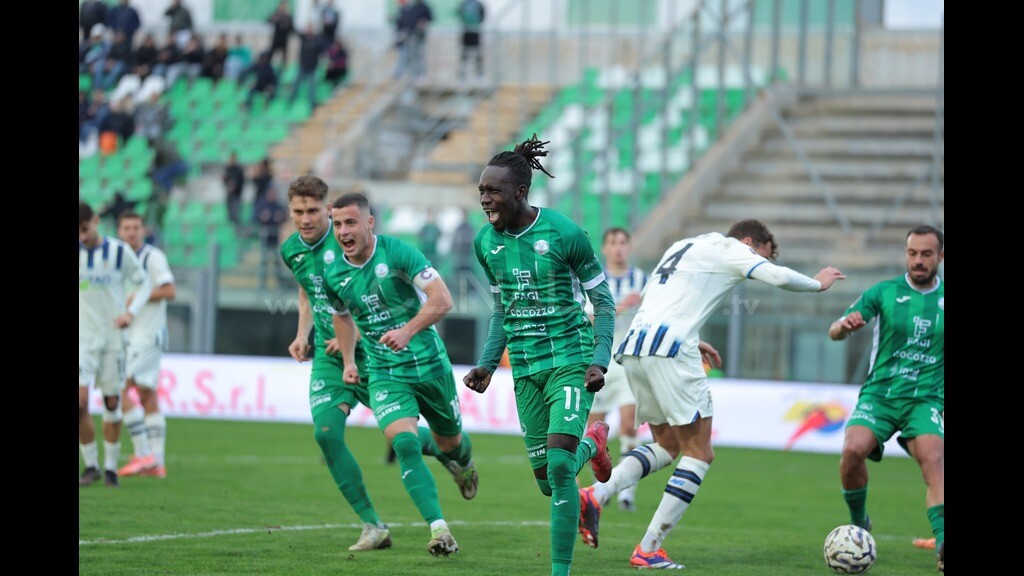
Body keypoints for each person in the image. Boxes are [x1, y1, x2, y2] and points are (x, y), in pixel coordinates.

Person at [578, 218, 847, 569]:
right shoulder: (731, 248)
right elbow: (779, 277)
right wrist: (817, 283)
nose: (758, 264)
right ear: (749, 243)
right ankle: (648, 548)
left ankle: (596, 494)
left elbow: (656, 300)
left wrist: (693, 337)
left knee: (667, 445)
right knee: (699, 453)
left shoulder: (684, 245)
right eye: (761, 256)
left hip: (635, 348)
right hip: (671, 351)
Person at [461, 135, 616, 576]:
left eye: (493, 191)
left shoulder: (565, 233)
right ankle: (594, 443)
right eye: (481, 191)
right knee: (549, 483)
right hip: (526, 369)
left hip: (570, 359)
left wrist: (599, 359)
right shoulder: (485, 244)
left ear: (521, 192)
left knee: (562, 468)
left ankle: (559, 571)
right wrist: (487, 363)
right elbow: (502, 310)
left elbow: (604, 303)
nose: (485, 200)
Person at [325, 192, 477, 557]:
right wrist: (349, 361)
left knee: (451, 444)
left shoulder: (398, 253)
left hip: (429, 365)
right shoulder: (334, 274)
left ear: (370, 222)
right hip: (384, 371)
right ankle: (439, 530)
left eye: (350, 222)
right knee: (404, 444)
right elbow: (342, 317)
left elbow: (442, 299)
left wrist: (407, 331)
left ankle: (462, 463)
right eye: (337, 224)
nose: (343, 231)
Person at [828, 225, 944, 573]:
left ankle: (943, 546)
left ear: (940, 256)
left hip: (925, 399)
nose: (918, 260)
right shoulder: (884, 291)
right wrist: (845, 327)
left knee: (934, 460)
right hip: (880, 395)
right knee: (852, 451)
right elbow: (834, 331)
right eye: (912, 253)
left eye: (926, 254)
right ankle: (859, 523)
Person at [80, 202, 153, 488]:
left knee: (112, 403)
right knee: (79, 403)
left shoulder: (119, 252)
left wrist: (130, 313)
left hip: (112, 340)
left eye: (84, 229)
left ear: (96, 221)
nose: (82, 237)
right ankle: (91, 464)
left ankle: (110, 467)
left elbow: (144, 283)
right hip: (82, 340)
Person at [581, 227, 647, 511]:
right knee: (594, 431)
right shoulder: (595, 279)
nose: (618, 247)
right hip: (598, 362)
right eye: (613, 243)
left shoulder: (642, 280)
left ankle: (626, 493)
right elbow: (589, 319)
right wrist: (622, 307)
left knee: (630, 424)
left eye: (623, 242)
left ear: (629, 248)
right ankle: (603, 486)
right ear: (605, 249)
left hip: (628, 362)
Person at [114, 212, 176, 480]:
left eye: (135, 227)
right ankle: (157, 464)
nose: (131, 232)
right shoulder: (118, 259)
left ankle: (142, 454)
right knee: (147, 395)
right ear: (119, 231)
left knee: (118, 387)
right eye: (126, 228)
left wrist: (137, 297)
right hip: (130, 336)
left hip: (148, 336)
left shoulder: (153, 257)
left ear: (143, 230)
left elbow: (169, 291)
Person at [456, 0, 485, 81]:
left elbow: (482, 17)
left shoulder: (478, 4)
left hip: (475, 32)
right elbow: (460, 15)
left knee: (478, 54)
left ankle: (479, 75)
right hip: (466, 32)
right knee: (464, 55)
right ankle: (462, 75)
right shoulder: (464, 4)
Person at [222, 151, 246, 227]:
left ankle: (236, 229)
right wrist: (227, 183)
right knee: (229, 214)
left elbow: (242, 181)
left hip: (237, 194)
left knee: (236, 214)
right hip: (229, 194)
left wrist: (235, 185)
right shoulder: (227, 169)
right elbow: (225, 180)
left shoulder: (239, 170)